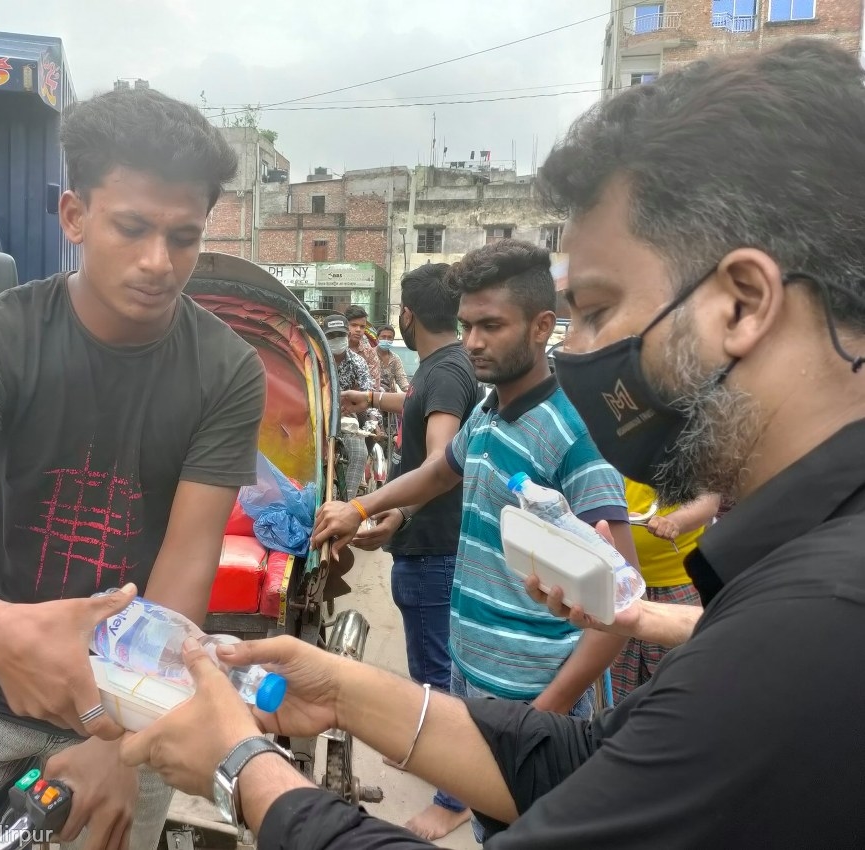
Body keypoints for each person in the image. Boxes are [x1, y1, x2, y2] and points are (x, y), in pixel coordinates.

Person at [118, 38, 865, 848]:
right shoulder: (790, 581)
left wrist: (243, 769)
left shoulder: (815, 628)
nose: (579, 350)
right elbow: (588, 760)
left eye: (600, 310)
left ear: (742, 302)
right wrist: (344, 690)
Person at [0, 86, 266, 850]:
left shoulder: (226, 371)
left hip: (135, 704)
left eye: (184, 237)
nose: (159, 262)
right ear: (74, 216)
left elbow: (183, 569)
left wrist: (119, 746)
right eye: (131, 228)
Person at [329, 239, 637, 843]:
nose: (472, 342)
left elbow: (623, 605)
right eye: (467, 325)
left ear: (543, 325)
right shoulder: (492, 411)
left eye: (490, 326)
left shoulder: (575, 435)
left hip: (535, 694)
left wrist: (545, 712)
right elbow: (444, 468)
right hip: (475, 677)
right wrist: (363, 504)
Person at [341, 263, 478, 828]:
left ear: (406, 315)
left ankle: (455, 797)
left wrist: (386, 509)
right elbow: (419, 405)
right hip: (430, 545)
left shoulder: (445, 375)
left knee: (435, 672)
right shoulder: (441, 369)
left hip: (434, 547)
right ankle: (435, 758)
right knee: (429, 666)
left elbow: (440, 462)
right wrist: (368, 395)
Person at [609, 482, 718, 703]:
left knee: (681, 682)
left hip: (678, 589)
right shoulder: (608, 450)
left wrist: (674, 521)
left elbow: (709, 501)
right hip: (620, 585)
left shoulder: (689, 448)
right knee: (619, 687)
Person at [325, 312, 380, 499]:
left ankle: (346, 503)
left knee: (359, 452)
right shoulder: (315, 360)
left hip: (347, 417)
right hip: (316, 417)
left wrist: (371, 423)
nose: (337, 340)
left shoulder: (358, 362)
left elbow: (369, 393)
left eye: (340, 335)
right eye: (331, 336)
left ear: (346, 337)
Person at [344, 304, 382, 388]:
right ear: (345, 325)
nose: (358, 330)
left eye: (362, 327)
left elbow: (374, 385)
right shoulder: (337, 349)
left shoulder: (369, 352)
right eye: (354, 325)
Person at [376, 324, 410, 392]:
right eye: (383, 337)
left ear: (392, 339)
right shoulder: (369, 354)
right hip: (371, 396)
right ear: (377, 338)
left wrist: (409, 392)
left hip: (389, 398)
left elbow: (401, 378)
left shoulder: (395, 358)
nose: (386, 340)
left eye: (389, 337)